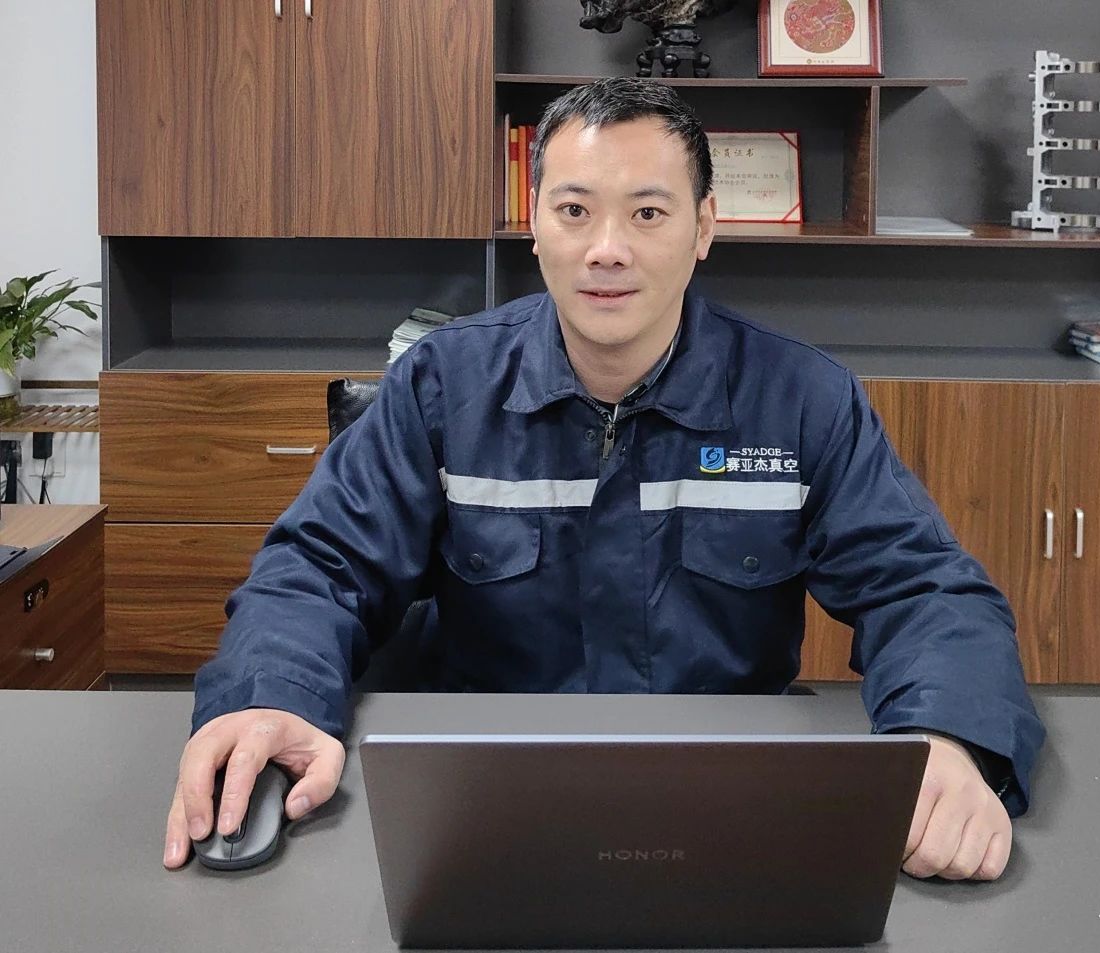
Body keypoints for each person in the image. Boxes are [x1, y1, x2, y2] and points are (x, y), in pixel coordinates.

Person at [164, 77, 1045, 881]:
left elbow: (925, 588)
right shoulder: (441, 387)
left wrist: (946, 735)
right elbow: (319, 565)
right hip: (480, 801)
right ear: (535, 223)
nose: (607, 249)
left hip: (730, 799)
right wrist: (271, 697)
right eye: (575, 210)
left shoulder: (802, 400)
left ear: (704, 228)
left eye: (648, 213)